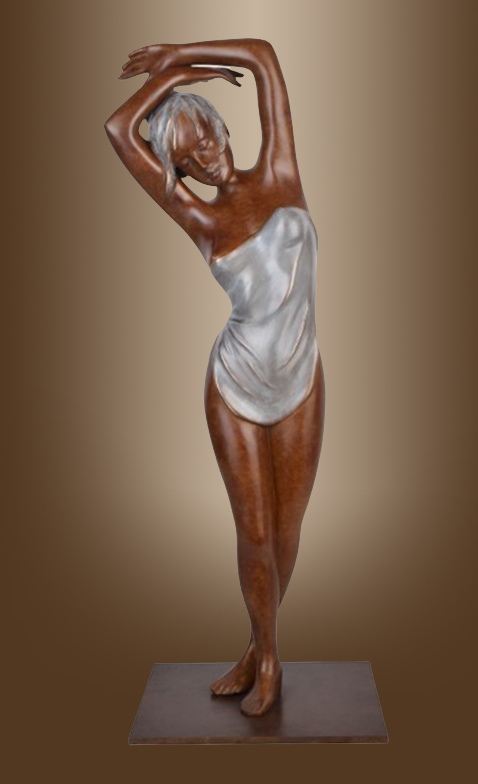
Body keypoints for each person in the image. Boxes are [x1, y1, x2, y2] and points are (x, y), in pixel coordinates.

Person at [105, 39, 325, 717]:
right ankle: (271, 663)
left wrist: (182, 54)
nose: (206, 154)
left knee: (287, 538)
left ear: (221, 124)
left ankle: (256, 648)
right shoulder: (198, 217)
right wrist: (172, 80)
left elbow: (263, 58)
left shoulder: (281, 170)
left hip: (302, 379)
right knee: (255, 534)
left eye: (205, 134)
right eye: (188, 156)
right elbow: (118, 129)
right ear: (181, 172)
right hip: (234, 384)